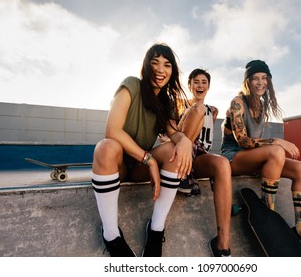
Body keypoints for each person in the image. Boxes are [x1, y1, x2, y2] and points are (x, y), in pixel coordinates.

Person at [91, 43, 193, 257]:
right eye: (154, 63)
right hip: (118, 166)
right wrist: (150, 160)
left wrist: (184, 141)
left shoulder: (167, 102)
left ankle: (156, 229)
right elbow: (112, 129)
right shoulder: (132, 85)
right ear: (146, 66)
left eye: (166, 65)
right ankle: (111, 234)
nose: (160, 69)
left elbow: (174, 133)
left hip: (138, 168)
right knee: (105, 147)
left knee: (174, 150)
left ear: (172, 71)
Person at [221, 60, 301, 257]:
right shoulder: (237, 102)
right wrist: (276, 141)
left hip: (255, 158)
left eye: (264, 78)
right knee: (276, 151)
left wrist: (273, 147)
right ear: (247, 81)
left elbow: (260, 144)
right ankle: (267, 218)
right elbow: (243, 141)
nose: (260, 82)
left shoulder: (263, 105)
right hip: (233, 157)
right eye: (255, 78)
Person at [177, 68, 232, 257]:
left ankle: (223, 246)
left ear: (208, 86)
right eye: (196, 82)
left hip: (199, 157)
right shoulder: (180, 105)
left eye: (204, 82)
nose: (200, 85)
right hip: (181, 155)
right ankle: (184, 173)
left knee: (223, 164)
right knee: (197, 112)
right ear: (189, 85)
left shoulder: (213, 111)